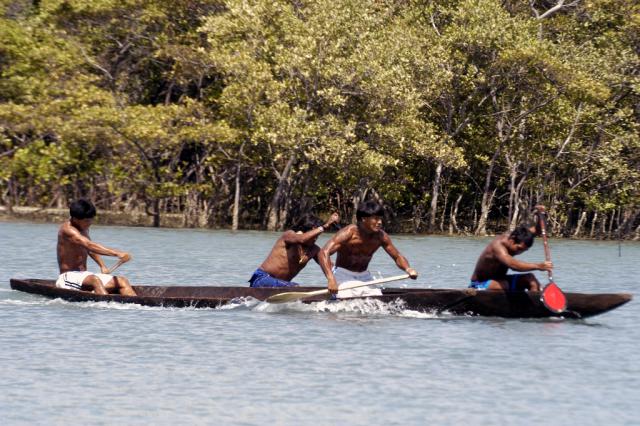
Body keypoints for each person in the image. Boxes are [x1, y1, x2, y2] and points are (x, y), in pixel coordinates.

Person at [319, 201, 418, 297]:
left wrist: (408, 269)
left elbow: (397, 256)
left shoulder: (381, 236)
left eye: (380, 219)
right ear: (363, 219)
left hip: (365, 276)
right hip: (343, 275)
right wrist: (331, 279)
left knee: (377, 302)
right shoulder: (349, 233)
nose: (379, 222)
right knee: (347, 302)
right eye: (375, 218)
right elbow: (323, 252)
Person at [56, 199, 136, 296]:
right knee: (95, 280)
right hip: (67, 278)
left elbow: (89, 249)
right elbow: (90, 245)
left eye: (91, 219)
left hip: (84, 276)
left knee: (122, 281)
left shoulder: (84, 228)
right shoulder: (67, 230)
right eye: (87, 220)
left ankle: (136, 307)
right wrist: (117, 253)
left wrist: (102, 266)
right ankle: (106, 307)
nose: (90, 223)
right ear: (75, 218)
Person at [248, 213, 340, 287]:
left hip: (282, 286)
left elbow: (330, 267)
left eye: (317, 236)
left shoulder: (314, 250)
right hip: (262, 278)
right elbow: (302, 239)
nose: (315, 238)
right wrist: (325, 226)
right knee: (295, 288)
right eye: (314, 235)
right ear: (303, 231)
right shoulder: (288, 235)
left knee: (295, 288)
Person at [469, 209, 552, 292]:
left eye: (524, 250)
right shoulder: (498, 246)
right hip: (479, 284)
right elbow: (513, 265)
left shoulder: (522, 235)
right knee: (504, 285)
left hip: (501, 280)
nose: (519, 252)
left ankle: (535, 303)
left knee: (531, 280)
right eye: (519, 248)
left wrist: (542, 215)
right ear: (512, 240)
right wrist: (538, 266)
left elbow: (539, 230)